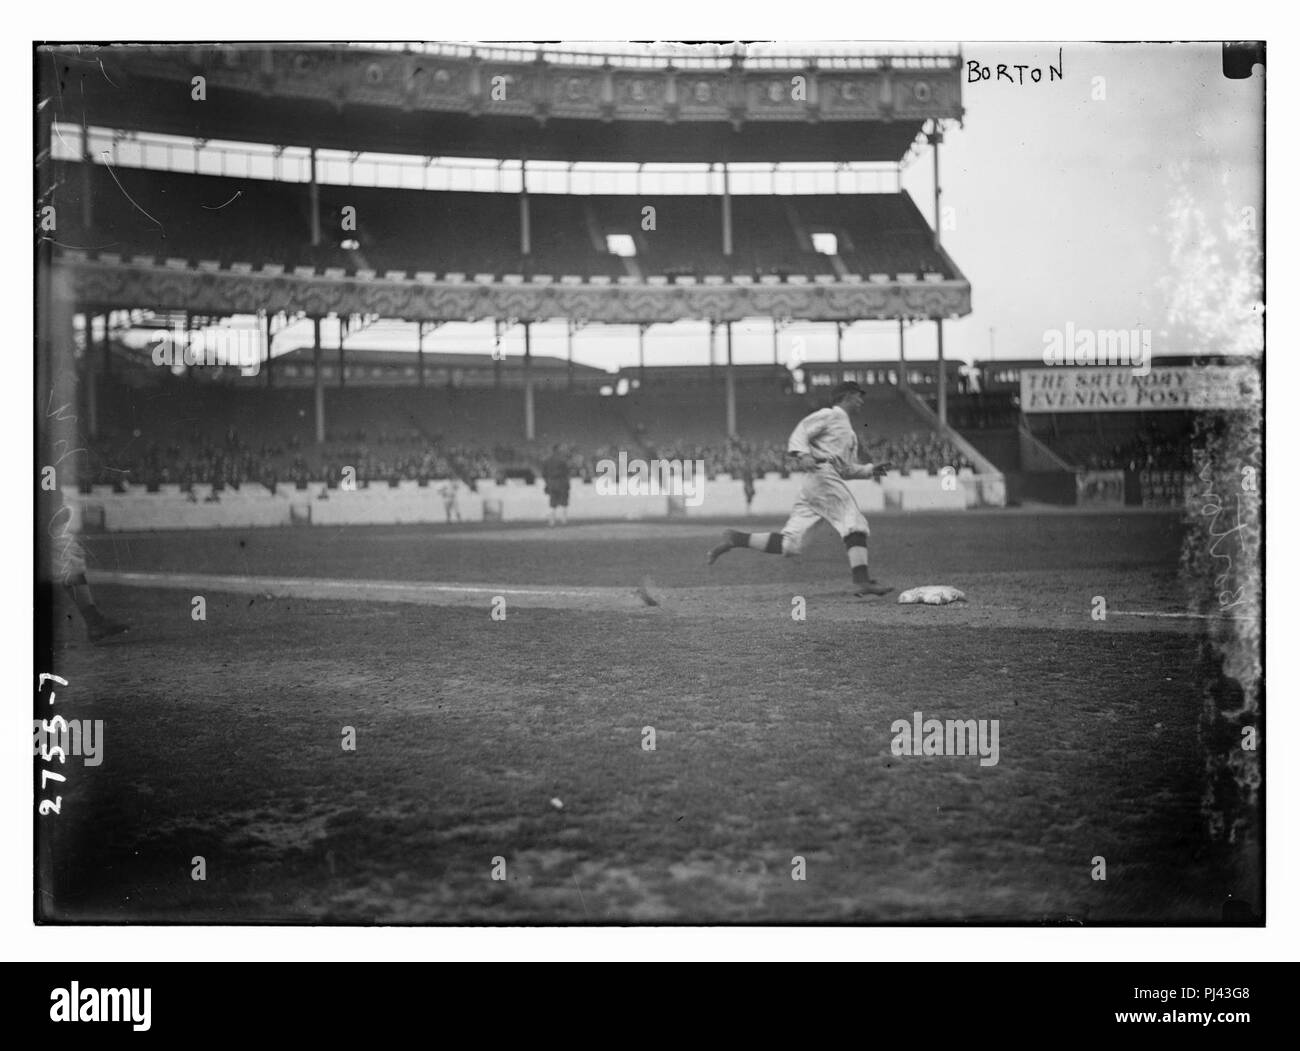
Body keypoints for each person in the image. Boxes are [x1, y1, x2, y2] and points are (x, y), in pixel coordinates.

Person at [707, 381, 893, 597]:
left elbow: (845, 469)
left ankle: (736, 538)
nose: (862, 401)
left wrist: (870, 470)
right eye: (859, 396)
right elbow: (801, 430)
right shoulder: (831, 415)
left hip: (819, 481)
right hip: (822, 476)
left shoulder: (849, 434)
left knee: (791, 544)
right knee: (854, 522)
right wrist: (803, 454)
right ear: (847, 396)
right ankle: (862, 581)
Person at [542, 444, 571, 527]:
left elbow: (544, 474)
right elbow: (567, 473)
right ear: (558, 450)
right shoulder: (562, 461)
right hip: (561, 483)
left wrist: (547, 483)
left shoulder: (547, 460)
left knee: (552, 503)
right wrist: (568, 484)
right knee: (564, 502)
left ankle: (552, 521)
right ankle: (564, 521)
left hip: (551, 483)